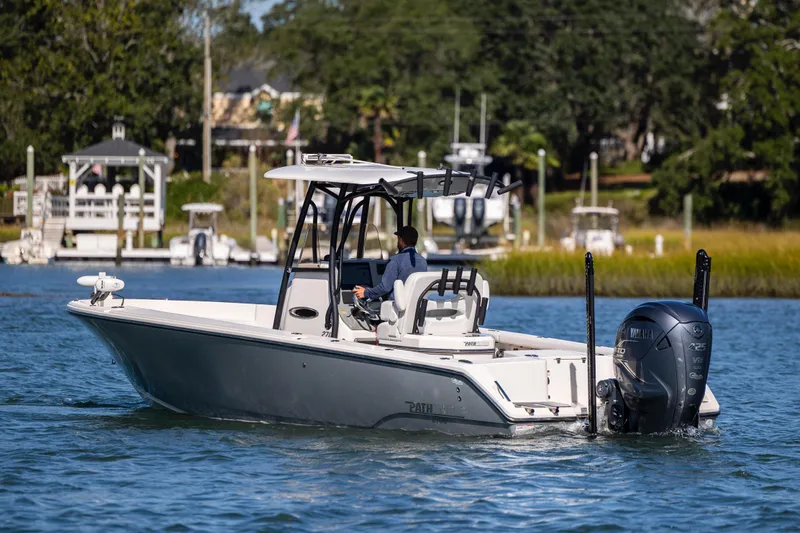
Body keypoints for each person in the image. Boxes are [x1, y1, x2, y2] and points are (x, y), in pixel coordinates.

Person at [353, 226, 427, 300]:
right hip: (415, 304)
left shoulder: (395, 260)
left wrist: (366, 292)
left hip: (396, 305)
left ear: (401, 240)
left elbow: (385, 287)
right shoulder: (423, 261)